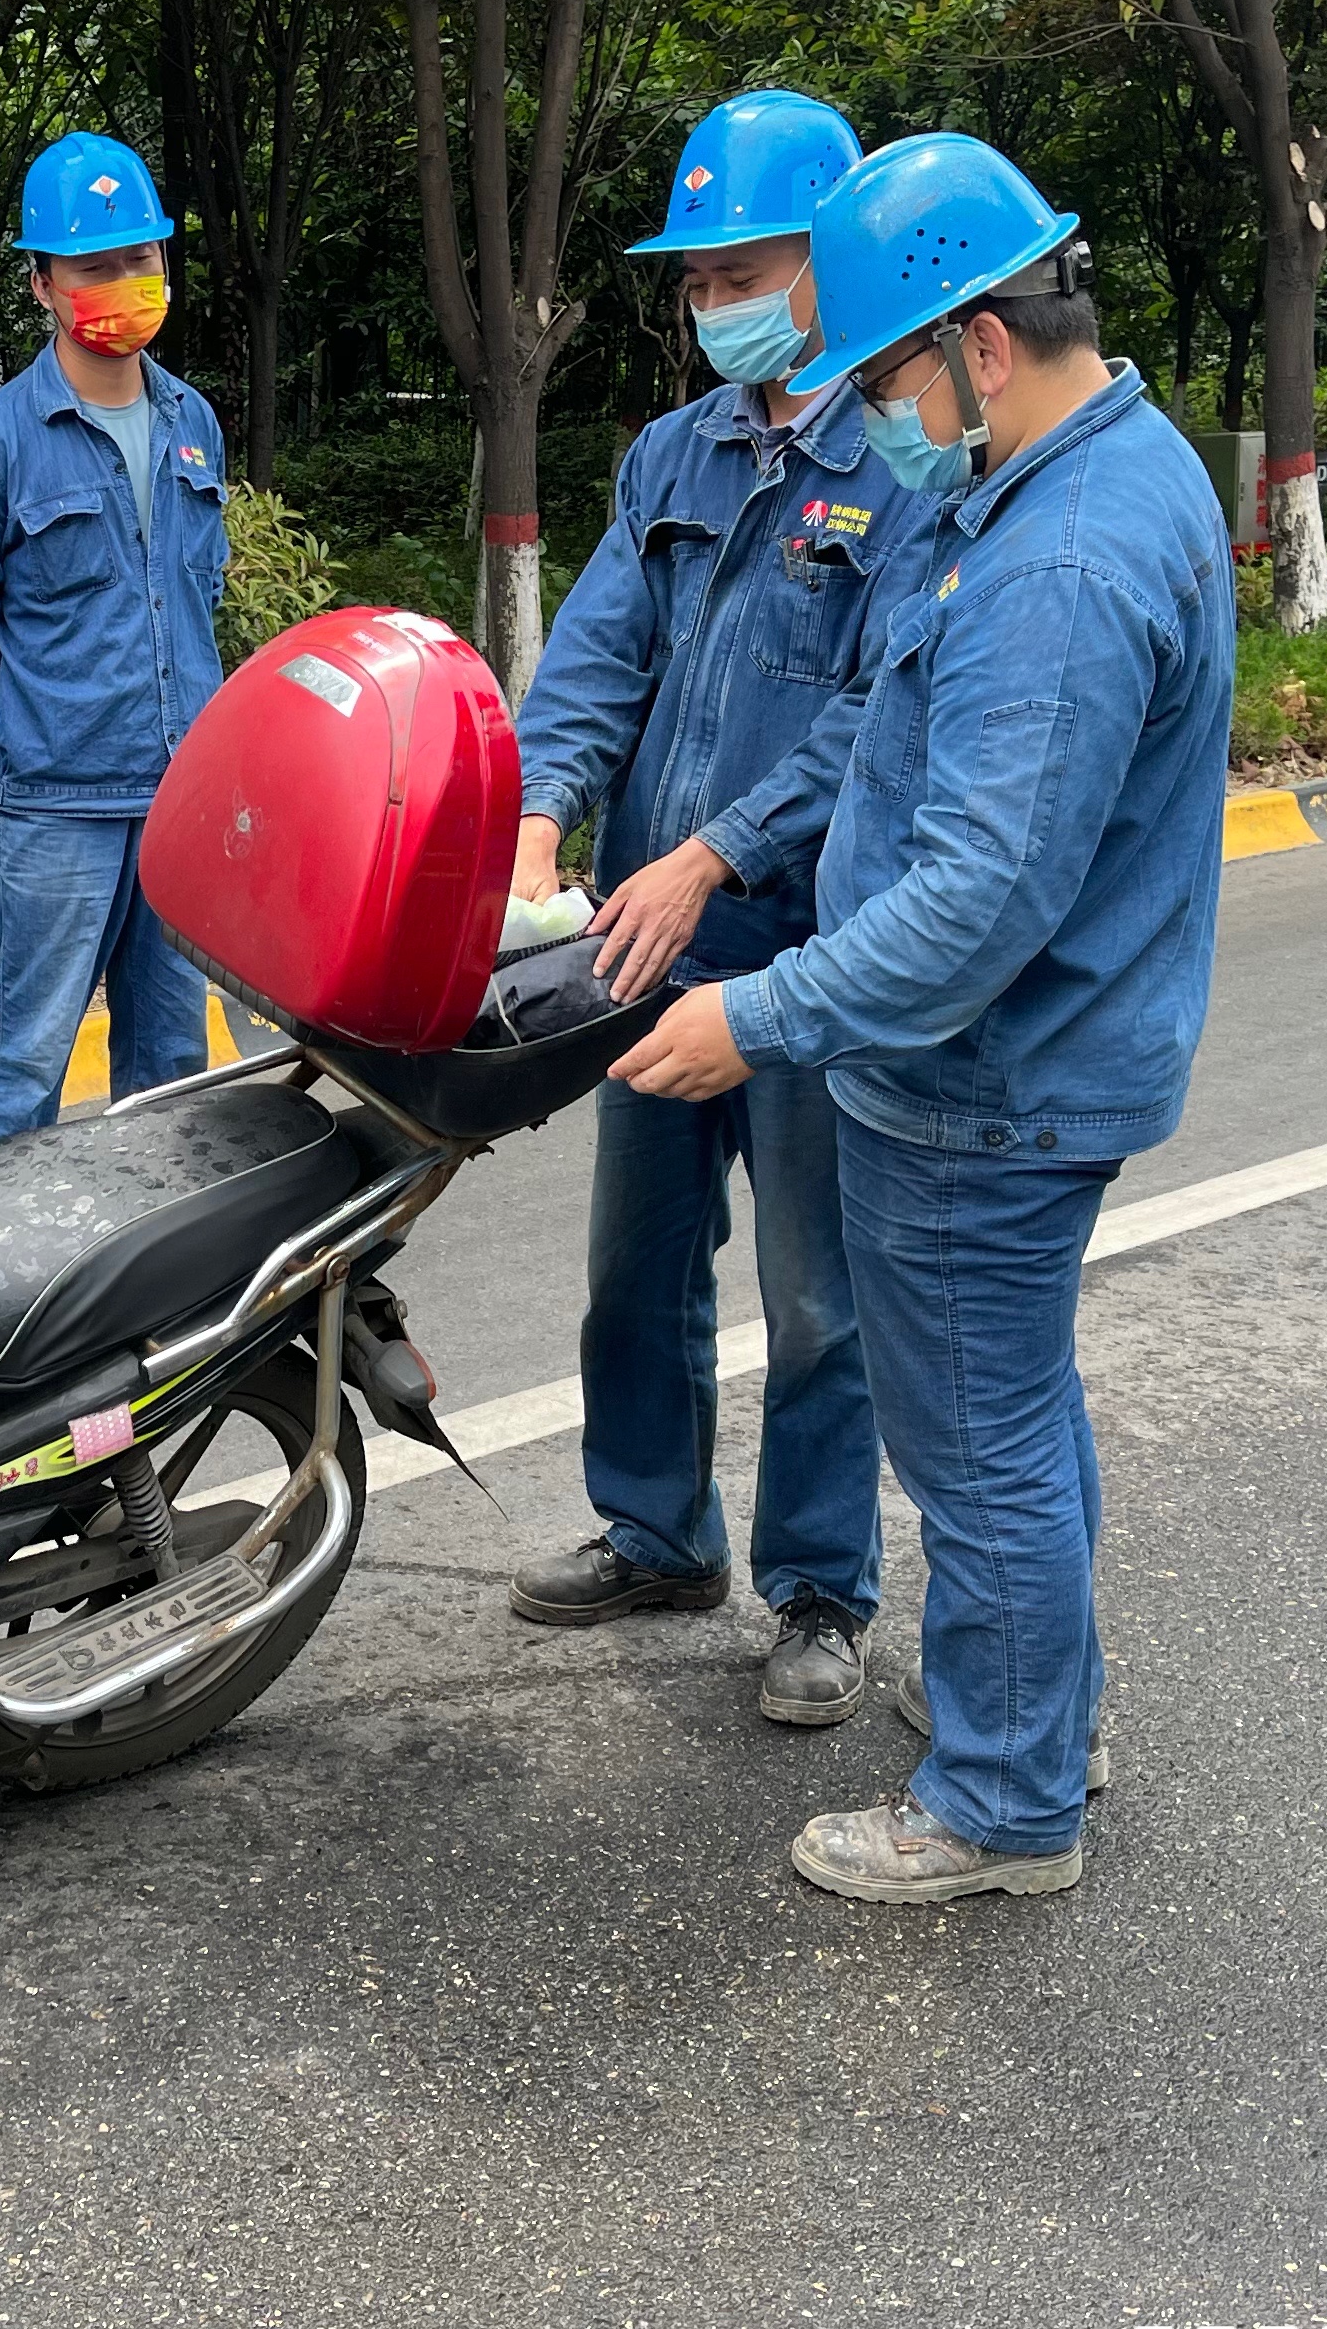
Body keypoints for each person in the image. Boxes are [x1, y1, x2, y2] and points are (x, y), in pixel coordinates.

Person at [610, 130, 1233, 1904]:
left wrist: (759, 1016)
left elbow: (975, 902)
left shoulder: (1058, 561)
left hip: (986, 1082)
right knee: (1014, 1414)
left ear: (980, 342)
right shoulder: (1086, 472)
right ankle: (1046, 1715)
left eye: (884, 374)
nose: (872, 410)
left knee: (974, 1445)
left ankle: (1001, 1801)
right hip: (1024, 1063)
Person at [497, 88, 916, 1730]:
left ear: (827, 262)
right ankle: (656, 1531)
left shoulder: (898, 460)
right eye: (694, 280)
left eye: (741, 273)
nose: (711, 304)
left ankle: (818, 1587)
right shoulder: (673, 455)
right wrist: (542, 808)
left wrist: (716, 851)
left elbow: (880, 708)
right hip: (643, 941)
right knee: (638, 1261)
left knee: (817, 1292)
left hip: (802, 943)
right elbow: (600, 652)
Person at [0, 131, 232, 1150]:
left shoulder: (193, 422)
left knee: (173, 1075)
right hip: (53, 811)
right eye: (94, 267)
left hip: (178, 801)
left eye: (141, 257)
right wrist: (30, 726)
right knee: (23, 1074)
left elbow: (199, 595)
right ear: (42, 283)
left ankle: (160, 1254)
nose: (124, 283)